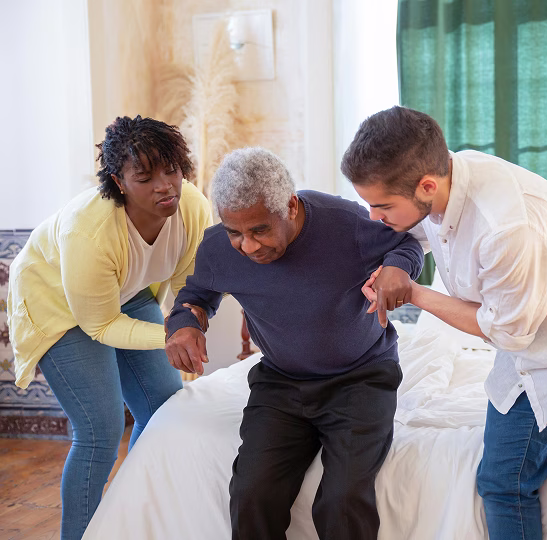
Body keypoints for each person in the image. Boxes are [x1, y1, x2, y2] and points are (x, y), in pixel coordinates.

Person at [341, 106, 547, 540]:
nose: (375, 217)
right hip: (527, 352)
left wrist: (414, 293)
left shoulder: (506, 228)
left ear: (427, 185)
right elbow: (415, 234)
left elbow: (506, 331)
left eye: (383, 206)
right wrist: (395, 264)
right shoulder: (444, 179)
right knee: (501, 486)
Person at [164, 147, 423, 540]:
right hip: (281, 383)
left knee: (341, 501)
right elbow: (195, 297)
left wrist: (397, 268)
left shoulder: (344, 222)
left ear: (290, 205)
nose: (247, 246)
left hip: (360, 378)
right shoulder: (218, 248)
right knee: (251, 494)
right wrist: (184, 326)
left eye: (260, 230)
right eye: (236, 232)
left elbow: (406, 245)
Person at [7, 116, 212, 540]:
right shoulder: (90, 230)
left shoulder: (191, 205)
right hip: (58, 304)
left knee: (163, 410)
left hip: (126, 288)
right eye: (145, 176)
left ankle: (125, 521)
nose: (165, 186)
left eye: (172, 169)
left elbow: (188, 286)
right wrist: (172, 336)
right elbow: (99, 325)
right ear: (119, 181)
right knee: (99, 430)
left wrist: (188, 323)